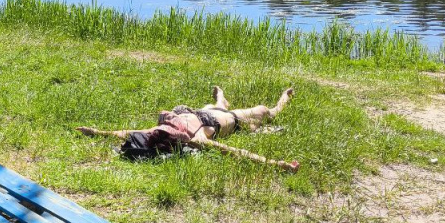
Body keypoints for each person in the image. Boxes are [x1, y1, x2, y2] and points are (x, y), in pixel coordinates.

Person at [77, 85, 299, 171]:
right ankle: (284, 99)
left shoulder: (165, 126)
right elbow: (235, 152)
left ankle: (221, 96)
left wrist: (96, 132)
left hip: (206, 110)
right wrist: (274, 164)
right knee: (265, 111)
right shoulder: (195, 138)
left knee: (218, 104)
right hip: (234, 119)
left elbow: (128, 133)